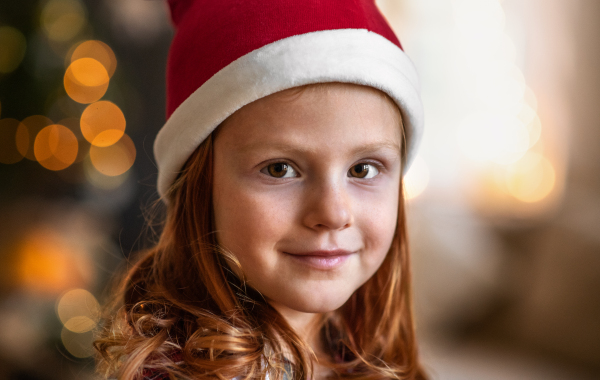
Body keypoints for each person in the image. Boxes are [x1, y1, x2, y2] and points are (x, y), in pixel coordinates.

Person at [94, 0, 426, 379]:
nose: (333, 213)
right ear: (199, 185)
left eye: (363, 169)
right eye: (280, 169)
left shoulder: (355, 356)